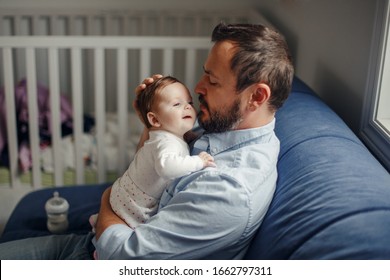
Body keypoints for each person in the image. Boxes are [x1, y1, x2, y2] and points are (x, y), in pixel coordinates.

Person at [0, 22, 294, 259]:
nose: (198, 87)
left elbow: (121, 258)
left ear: (256, 96)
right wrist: (153, 124)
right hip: (94, 239)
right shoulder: (228, 126)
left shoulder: (228, 192)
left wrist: (107, 201)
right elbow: (152, 161)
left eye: (213, 81)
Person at [89, 76, 215, 237]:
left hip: (124, 195)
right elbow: (166, 167)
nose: (188, 107)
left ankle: (98, 222)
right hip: (133, 206)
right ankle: (99, 243)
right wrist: (198, 161)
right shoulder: (165, 142)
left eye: (189, 102)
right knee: (129, 229)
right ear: (154, 119)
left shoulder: (166, 135)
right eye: (177, 104)